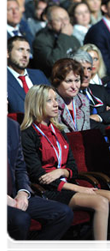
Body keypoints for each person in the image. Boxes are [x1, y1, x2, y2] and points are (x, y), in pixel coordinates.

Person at [20, 84, 110, 251]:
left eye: (56, 100)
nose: (56, 104)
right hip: (47, 190)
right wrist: (78, 189)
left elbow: (73, 167)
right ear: (37, 104)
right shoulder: (27, 133)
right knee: (101, 202)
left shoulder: (58, 130)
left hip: (66, 184)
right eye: (49, 101)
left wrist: (62, 171)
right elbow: (38, 175)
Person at [5, 92, 73, 251]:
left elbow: (20, 167)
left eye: (6, 96)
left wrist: (22, 192)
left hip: (15, 194)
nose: (6, 101)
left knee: (63, 213)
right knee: (21, 219)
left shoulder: (11, 126)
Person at [69, 49, 110, 134]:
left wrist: (99, 117)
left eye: (89, 69)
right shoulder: (68, 95)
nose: (87, 74)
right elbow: (83, 125)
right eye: (82, 69)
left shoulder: (98, 90)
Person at [32, 5, 81, 78]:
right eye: (58, 20)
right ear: (49, 23)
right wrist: (64, 36)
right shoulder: (41, 40)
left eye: (66, 19)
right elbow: (55, 62)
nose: (64, 23)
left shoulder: (73, 39)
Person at [5, 36, 50, 113]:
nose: (25, 55)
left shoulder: (39, 75)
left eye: (28, 51)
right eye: (20, 50)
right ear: (7, 53)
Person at [50, 58, 90, 132]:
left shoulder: (83, 100)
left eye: (77, 80)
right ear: (57, 81)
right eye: (69, 81)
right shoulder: (50, 102)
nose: (74, 86)